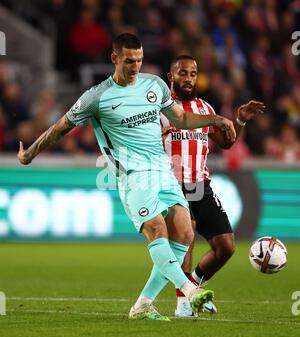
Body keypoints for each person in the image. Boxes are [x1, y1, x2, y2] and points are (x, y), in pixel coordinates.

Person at [18, 34, 236, 321]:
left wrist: (216, 119)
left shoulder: (154, 85)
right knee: (157, 230)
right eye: (130, 61)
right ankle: (190, 291)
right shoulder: (96, 97)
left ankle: (143, 305)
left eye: (140, 60)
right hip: (133, 176)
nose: (136, 67)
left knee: (183, 232)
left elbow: (181, 118)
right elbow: (60, 128)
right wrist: (29, 154)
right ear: (115, 59)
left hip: (162, 170)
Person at [135, 55, 265, 317]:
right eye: (183, 73)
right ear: (171, 77)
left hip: (201, 185)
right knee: (188, 232)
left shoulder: (205, 109)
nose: (188, 79)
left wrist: (238, 121)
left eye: (193, 74)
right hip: (171, 186)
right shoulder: (158, 110)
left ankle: (193, 286)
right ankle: (184, 303)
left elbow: (226, 143)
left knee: (226, 246)